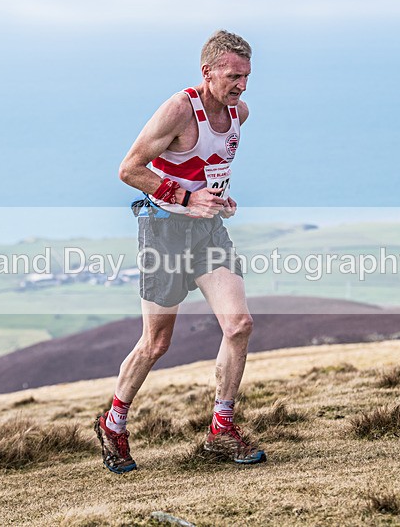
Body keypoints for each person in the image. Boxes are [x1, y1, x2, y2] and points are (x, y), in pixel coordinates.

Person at [94, 30, 265, 474]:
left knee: (239, 325)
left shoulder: (240, 113)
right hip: (163, 232)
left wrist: (218, 199)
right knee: (156, 343)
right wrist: (187, 199)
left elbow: (207, 169)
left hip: (207, 233)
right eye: (233, 76)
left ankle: (221, 429)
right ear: (207, 72)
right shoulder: (179, 109)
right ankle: (113, 424)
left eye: (246, 76)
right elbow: (129, 169)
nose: (242, 85)